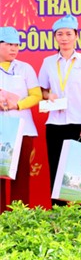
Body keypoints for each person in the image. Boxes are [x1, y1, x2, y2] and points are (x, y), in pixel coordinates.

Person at [38, 14, 81, 204]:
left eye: (68, 34)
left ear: (76, 35)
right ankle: (59, 219)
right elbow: (41, 90)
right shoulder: (48, 62)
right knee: (57, 172)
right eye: (60, 34)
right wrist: (49, 96)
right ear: (55, 37)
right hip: (56, 124)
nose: (64, 38)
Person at [0, 27, 42, 211]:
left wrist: (18, 105)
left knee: (21, 177)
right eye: (9, 44)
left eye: (16, 45)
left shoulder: (25, 68)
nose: (14, 49)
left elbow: (36, 95)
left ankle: (18, 220)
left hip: (23, 130)